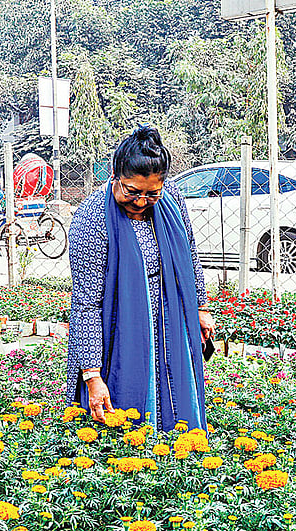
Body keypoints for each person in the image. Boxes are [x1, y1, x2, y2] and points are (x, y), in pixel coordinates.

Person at [66, 125, 214, 431]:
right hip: (118, 326)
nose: (141, 201)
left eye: (152, 194)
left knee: (176, 399)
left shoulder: (172, 197)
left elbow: (190, 253)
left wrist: (201, 307)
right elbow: (86, 304)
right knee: (120, 417)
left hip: (170, 320)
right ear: (114, 176)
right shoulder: (92, 219)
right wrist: (92, 376)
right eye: (131, 191)